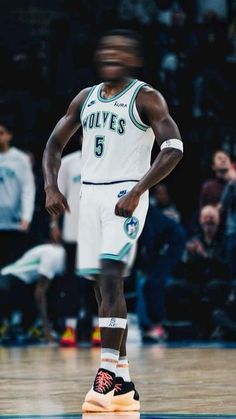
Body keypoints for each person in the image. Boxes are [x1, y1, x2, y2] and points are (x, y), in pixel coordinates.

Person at [42, 29, 183, 413]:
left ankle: (104, 376)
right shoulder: (85, 98)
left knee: (110, 276)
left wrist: (138, 190)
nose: (111, 55)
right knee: (98, 284)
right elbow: (54, 144)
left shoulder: (146, 96)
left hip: (125, 194)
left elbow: (174, 147)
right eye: (105, 49)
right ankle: (124, 382)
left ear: (134, 59)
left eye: (120, 51)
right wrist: (51, 187)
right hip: (89, 193)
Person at [0, 243, 65, 342]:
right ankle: (14, 325)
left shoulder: (61, 255)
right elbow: (39, 294)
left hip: (19, 281)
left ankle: (23, 327)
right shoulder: (54, 255)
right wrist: (46, 328)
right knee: (38, 297)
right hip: (8, 280)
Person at [0, 121, 36, 266]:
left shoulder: (20, 159)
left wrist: (26, 216)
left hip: (15, 221)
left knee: (13, 264)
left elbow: (28, 188)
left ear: (9, 136)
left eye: (1, 133)